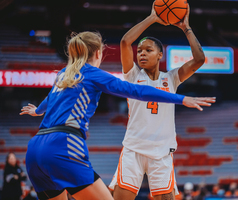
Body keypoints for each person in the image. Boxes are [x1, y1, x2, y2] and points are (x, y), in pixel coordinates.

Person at [20, 31, 215, 200]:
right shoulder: (93, 73)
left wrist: (37, 111)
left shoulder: (63, 74)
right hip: (62, 145)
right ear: (98, 53)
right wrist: (181, 99)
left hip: (35, 148)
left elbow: (49, 100)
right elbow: (138, 91)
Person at [109, 3, 215, 200]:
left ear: (160, 55)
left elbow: (199, 59)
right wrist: (153, 18)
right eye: (139, 51)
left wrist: (186, 28)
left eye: (147, 50)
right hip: (134, 149)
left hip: (162, 152)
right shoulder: (132, 75)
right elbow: (125, 42)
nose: (141, 53)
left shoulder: (171, 78)